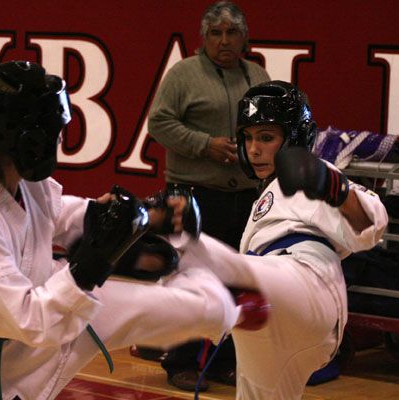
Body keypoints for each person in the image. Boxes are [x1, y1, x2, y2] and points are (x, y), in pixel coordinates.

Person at [0, 60, 243, 400]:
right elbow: (31, 320)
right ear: (30, 140)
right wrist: (90, 265)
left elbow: (60, 216)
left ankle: (231, 306)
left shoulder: (15, 180)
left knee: (173, 303)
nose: (58, 141)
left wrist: (146, 215)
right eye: (55, 133)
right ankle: (233, 307)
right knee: (131, 300)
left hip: (24, 328)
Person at [167, 80, 389, 399]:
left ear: (296, 139)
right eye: (248, 138)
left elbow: (374, 221)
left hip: (305, 282)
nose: (254, 149)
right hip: (284, 312)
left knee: (203, 264)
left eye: (267, 138)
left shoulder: (313, 175)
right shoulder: (264, 196)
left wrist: (334, 188)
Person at [148, 0, 270, 390]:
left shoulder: (257, 75)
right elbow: (159, 122)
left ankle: (223, 361)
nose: (224, 41)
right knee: (189, 279)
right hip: (193, 194)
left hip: (245, 197)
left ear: (244, 38)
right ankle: (180, 361)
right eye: (215, 33)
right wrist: (205, 145)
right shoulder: (184, 74)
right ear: (203, 38)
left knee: (236, 279)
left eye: (232, 33)